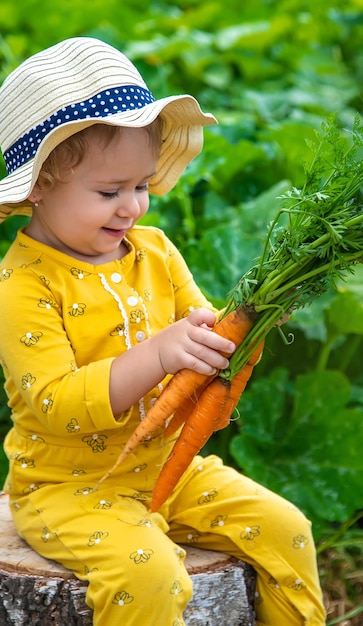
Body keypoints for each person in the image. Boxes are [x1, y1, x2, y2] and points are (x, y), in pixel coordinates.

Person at [0, 37, 326, 626]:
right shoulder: (22, 285)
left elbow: (203, 334)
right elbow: (54, 406)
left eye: (142, 185)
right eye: (109, 192)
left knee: (288, 529)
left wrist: (237, 333)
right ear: (40, 184)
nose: (133, 208)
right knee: (147, 572)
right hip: (69, 490)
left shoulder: (154, 250)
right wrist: (158, 354)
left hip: (171, 464)